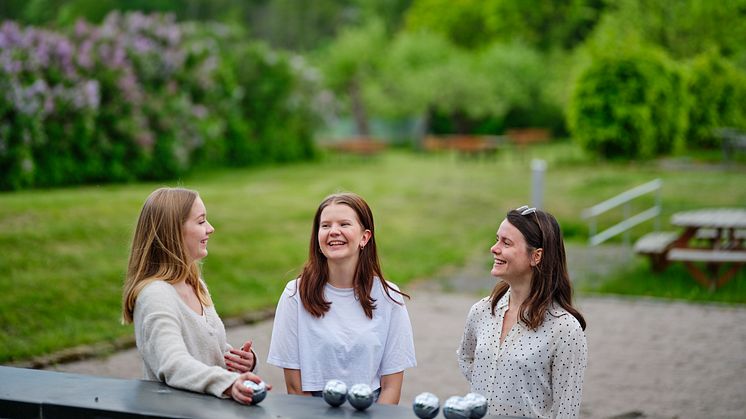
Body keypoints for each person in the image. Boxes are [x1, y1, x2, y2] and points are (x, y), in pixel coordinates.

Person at [121, 187, 270, 404]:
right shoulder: (155, 295)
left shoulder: (194, 284)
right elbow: (174, 363)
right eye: (201, 222)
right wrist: (228, 383)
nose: (210, 229)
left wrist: (240, 362)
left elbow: (205, 350)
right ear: (172, 232)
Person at [267, 192, 416, 404]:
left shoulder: (390, 298)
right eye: (325, 226)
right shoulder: (294, 295)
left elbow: (391, 388)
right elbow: (294, 387)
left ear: (365, 237)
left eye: (344, 224)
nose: (334, 232)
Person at [457, 206, 587, 419]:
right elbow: (465, 356)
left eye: (506, 243)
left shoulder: (565, 329)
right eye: (497, 239)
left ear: (536, 256)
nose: (494, 248)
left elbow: (566, 410)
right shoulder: (481, 311)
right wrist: (495, 390)